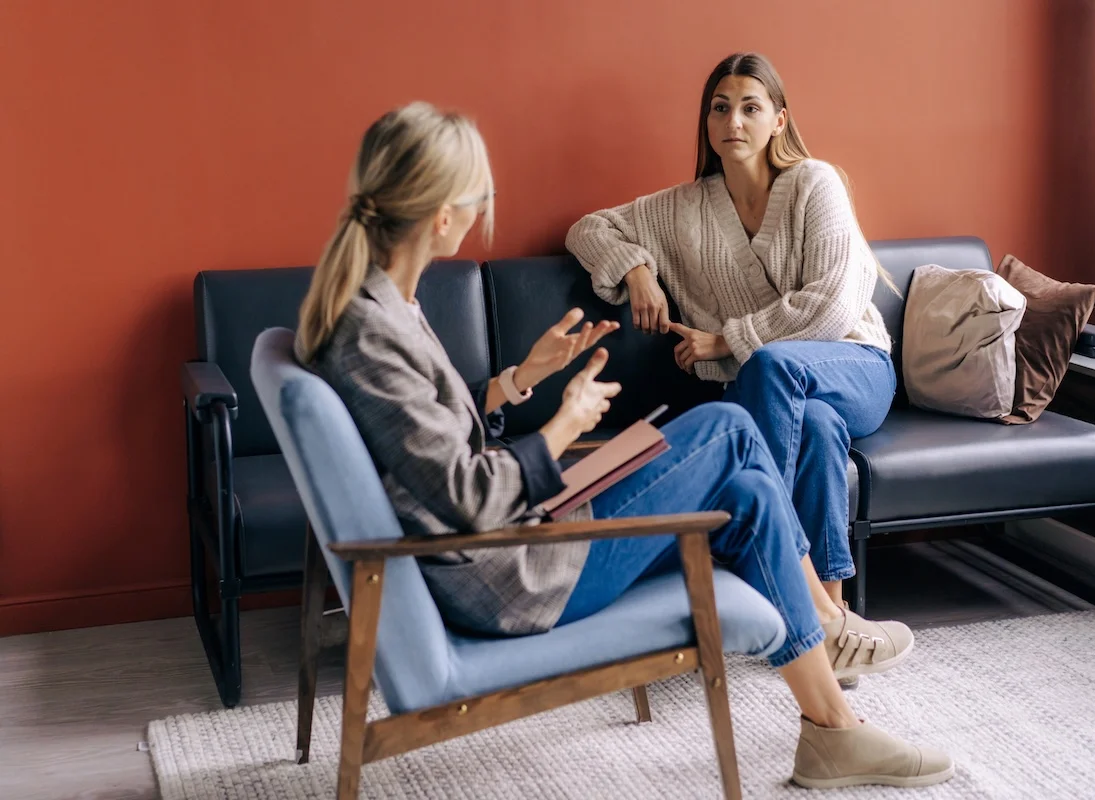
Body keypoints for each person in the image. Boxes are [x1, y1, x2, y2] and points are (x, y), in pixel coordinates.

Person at [295, 101, 953, 788]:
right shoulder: (368, 330)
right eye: (479, 197)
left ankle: (831, 729)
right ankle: (826, 617)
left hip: (520, 537)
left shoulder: (383, 306)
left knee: (750, 487)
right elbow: (464, 497)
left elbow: (427, 438)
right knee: (727, 430)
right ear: (441, 216)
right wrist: (563, 426)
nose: (482, 208)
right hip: (509, 574)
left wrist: (522, 378)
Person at [566, 53, 904, 684]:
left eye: (751, 107)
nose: (734, 120)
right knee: (820, 430)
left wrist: (724, 340)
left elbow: (832, 304)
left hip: (855, 364)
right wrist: (638, 269)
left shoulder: (815, 183)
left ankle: (766, 573)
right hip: (783, 388)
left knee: (777, 370)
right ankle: (832, 614)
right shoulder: (684, 208)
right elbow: (589, 229)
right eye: (720, 107)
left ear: (778, 119)